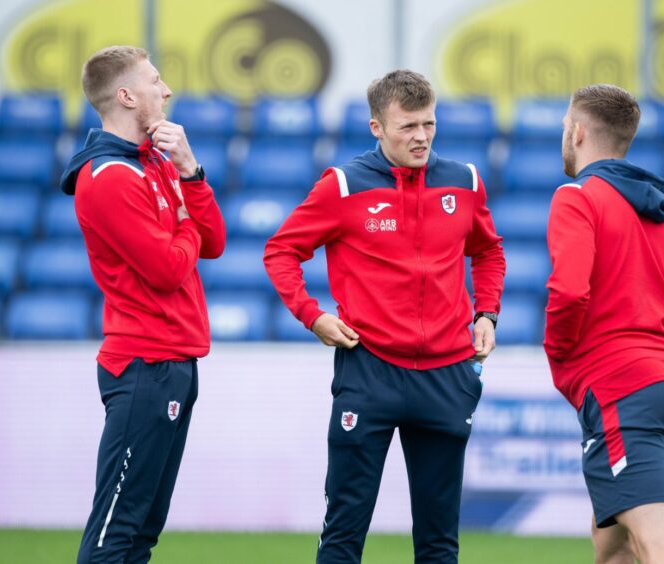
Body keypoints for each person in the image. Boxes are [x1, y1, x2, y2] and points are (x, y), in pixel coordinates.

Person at [264, 69, 505, 563]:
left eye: (428, 125)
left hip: (446, 374)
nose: (420, 138)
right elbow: (281, 251)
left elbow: (488, 252)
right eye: (407, 127)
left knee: (440, 542)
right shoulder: (343, 186)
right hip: (368, 371)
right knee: (343, 535)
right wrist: (312, 316)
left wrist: (488, 314)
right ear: (376, 127)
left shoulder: (465, 181)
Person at [60, 45, 225, 563]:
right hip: (143, 365)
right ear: (127, 95)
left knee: (142, 531)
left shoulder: (156, 160)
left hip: (174, 362)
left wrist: (191, 173)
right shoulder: (108, 177)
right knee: (116, 530)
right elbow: (168, 268)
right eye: (156, 81)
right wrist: (181, 221)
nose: (167, 89)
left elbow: (213, 242)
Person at [545, 83, 664, 564]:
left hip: (623, 390)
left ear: (578, 132)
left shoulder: (576, 197)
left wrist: (566, 358)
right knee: (615, 548)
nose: (565, 133)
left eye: (565, 126)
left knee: (655, 545)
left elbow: (568, 291)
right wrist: (653, 364)